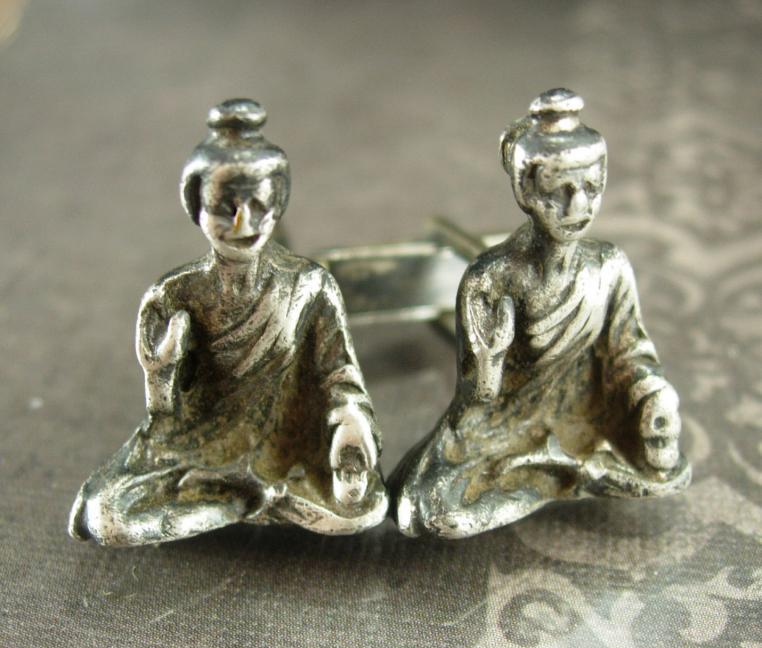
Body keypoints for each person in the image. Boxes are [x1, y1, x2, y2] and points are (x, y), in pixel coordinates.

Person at [69, 99, 387, 546]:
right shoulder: (173, 296)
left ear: (279, 204)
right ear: (196, 207)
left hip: (283, 456)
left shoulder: (311, 287)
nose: (244, 223)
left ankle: (246, 495)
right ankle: (241, 498)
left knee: (363, 508)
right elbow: (165, 419)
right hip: (196, 456)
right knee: (108, 517)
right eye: (226, 207)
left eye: (260, 205)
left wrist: (350, 423)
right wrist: (160, 376)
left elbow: (339, 376)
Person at [391, 88, 690, 538]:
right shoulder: (491, 280)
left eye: (591, 189)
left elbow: (629, 354)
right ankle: (548, 473)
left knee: (652, 463)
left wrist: (652, 394)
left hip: (581, 421)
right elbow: (477, 403)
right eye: (559, 192)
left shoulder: (609, 267)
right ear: (526, 190)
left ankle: (565, 469)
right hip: (503, 432)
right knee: (433, 509)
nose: (577, 208)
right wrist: (489, 362)